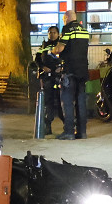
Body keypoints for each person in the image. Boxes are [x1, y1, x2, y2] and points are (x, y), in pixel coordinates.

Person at [54, 10, 90, 140]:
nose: (64, 21)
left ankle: (69, 131)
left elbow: (60, 48)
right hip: (83, 69)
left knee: (67, 101)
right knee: (81, 101)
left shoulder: (67, 29)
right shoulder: (84, 30)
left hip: (70, 70)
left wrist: (53, 50)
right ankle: (82, 132)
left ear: (67, 18)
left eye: (64, 19)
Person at [35, 27, 64, 134]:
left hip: (58, 77)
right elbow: (37, 59)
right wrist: (43, 67)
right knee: (48, 102)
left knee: (62, 101)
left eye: (54, 33)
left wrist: (61, 67)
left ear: (58, 34)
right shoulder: (44, 46)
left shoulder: (61, 45)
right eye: (50, 33)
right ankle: (48, 126)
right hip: (47, 77)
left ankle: (67, 125)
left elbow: (65, 58)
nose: (52, 34)